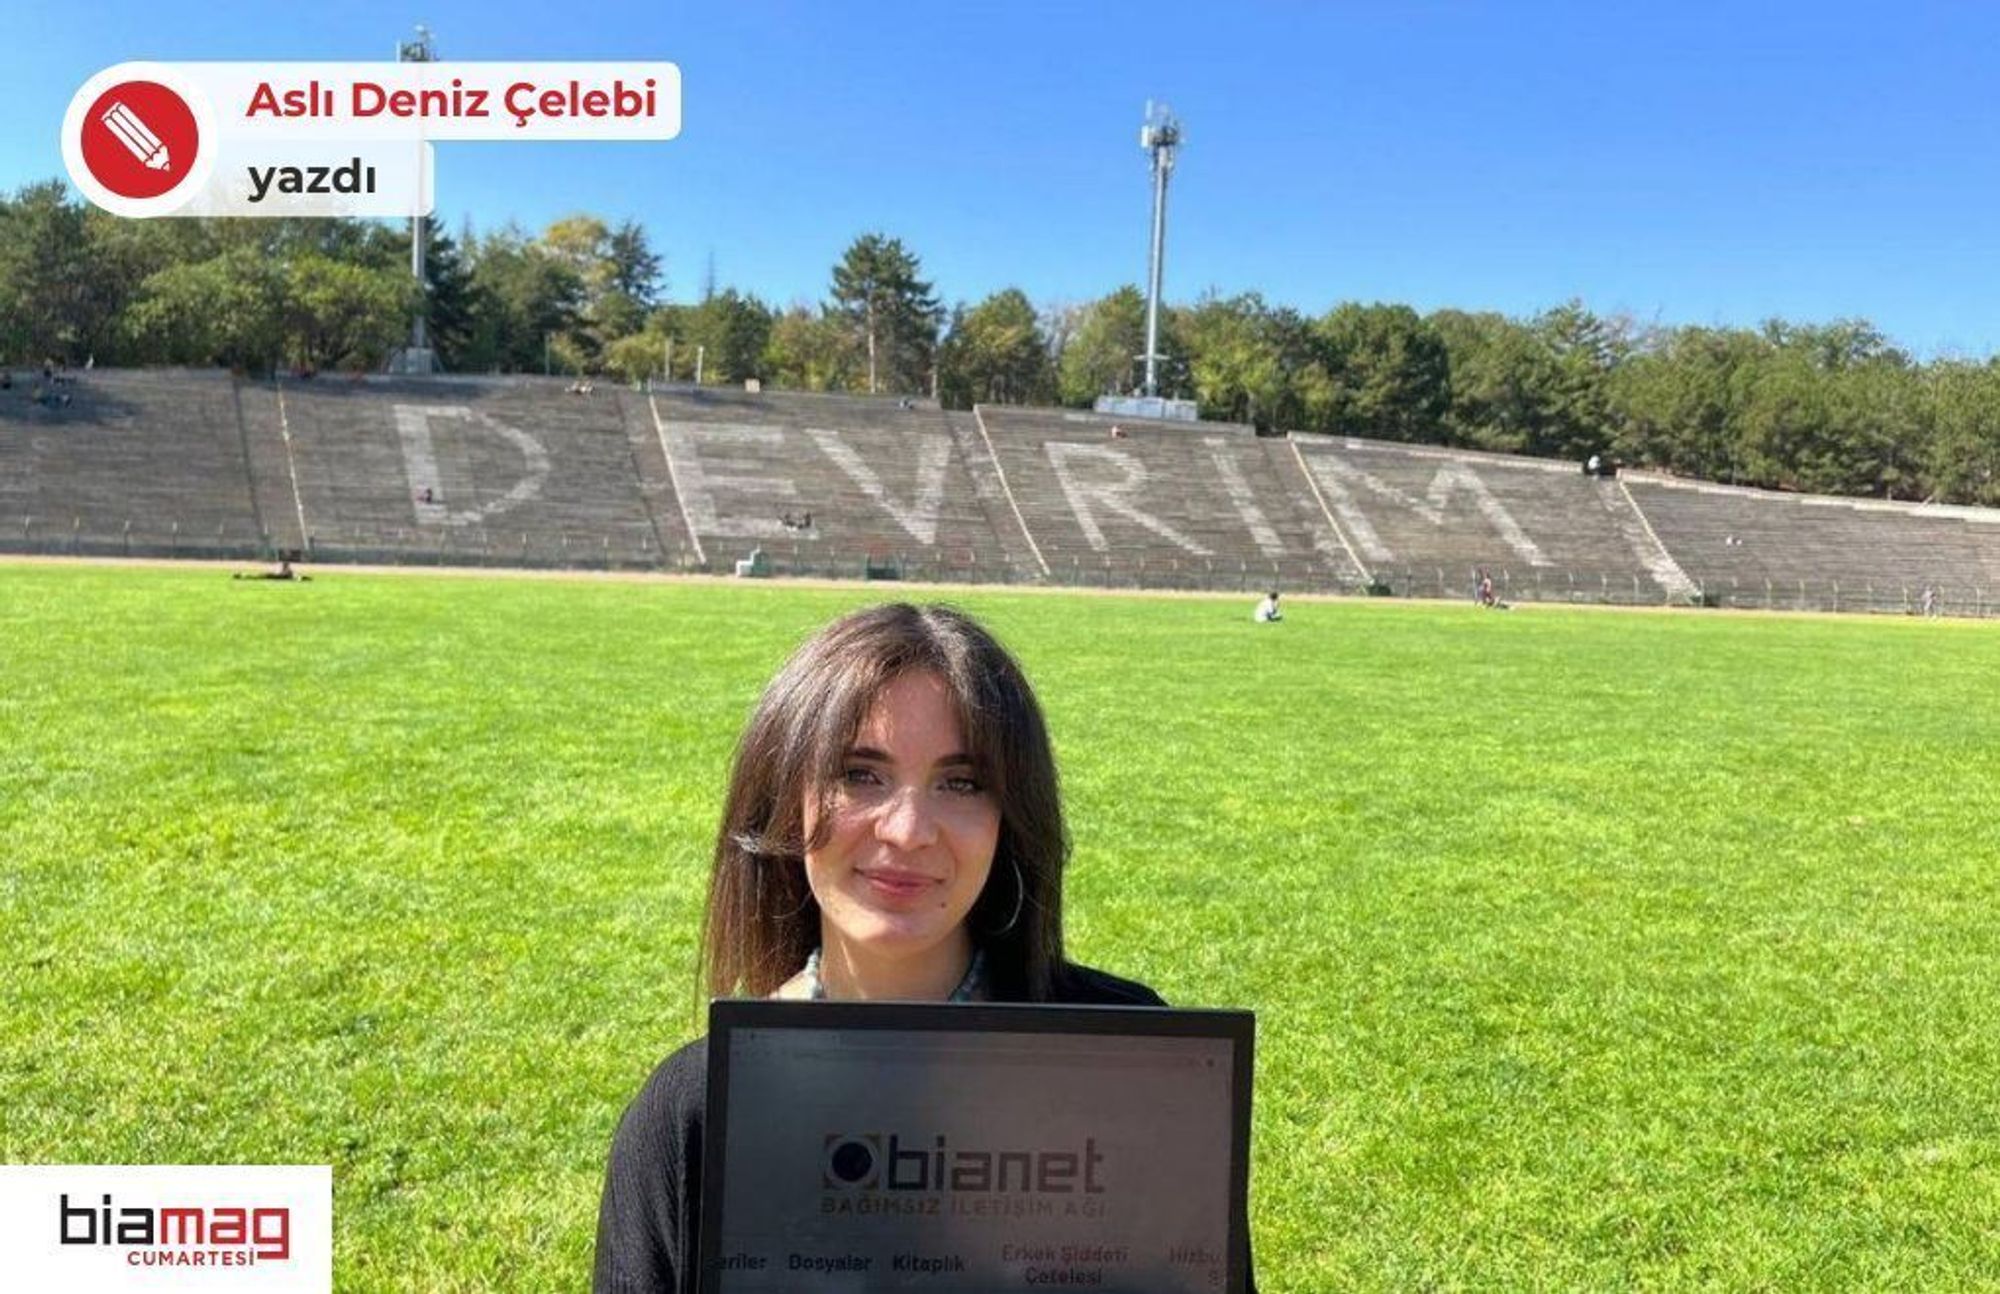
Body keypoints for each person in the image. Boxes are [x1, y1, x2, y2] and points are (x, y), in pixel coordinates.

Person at [593, 604, 1168, 1294]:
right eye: (860, 774)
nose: (907, 830)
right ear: (784, 796)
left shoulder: (1133, 1064)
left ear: (1009, 820)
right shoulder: (693, 1111)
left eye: (961, 783)